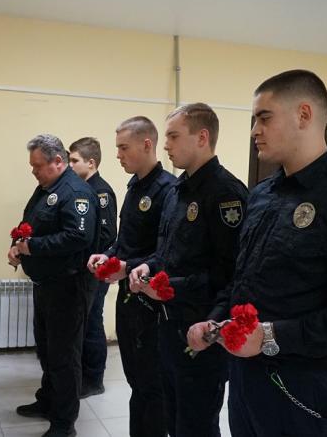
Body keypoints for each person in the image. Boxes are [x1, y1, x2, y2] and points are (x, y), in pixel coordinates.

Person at [187, 69, 327, 437]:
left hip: (309, 390)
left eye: (264, 117)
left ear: (304, 115)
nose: (254, 130)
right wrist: (216, 320)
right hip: (249, 384)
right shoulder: (262, 195)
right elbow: (245, 278)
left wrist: (270, 336)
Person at [130, 103, 248, 437]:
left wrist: (170, 288)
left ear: (202, 137)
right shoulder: (177, 190)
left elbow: (230, 275)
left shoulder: (226, 193)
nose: (165, 145)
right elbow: (167, 252)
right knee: (173, 419)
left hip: (202, 328)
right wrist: (147, 266)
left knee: (196, 426)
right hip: (169, 325)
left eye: (173, 136)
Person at [87, 116, 176, 437]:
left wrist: (128, 266)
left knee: (153, 386)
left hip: (151, 302)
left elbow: (166, 252)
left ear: (146, 144)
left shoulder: (167, 190)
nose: (118, 155)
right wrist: (109, 256)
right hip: (129, 297)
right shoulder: (135, 186)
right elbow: (126, 241)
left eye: (124, 148)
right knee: (137, 382)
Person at [8, 134, 99, 437]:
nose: (33, 171)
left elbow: (78, 237)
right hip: (46, 284)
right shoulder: (46, 188)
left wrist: (32, 247)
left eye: (38, 166)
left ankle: (64, 423)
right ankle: (47, 401)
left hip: (68, 288)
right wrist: (17, 247)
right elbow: (31, 226)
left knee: (64, 357)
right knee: (47, 351)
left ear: (58, 161)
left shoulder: (76, 192)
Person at [68, 137, 117, 398]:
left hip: (96, 270)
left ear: (91, 162)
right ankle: (82, 375)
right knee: (83, 323)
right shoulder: (81, 189)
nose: (70, 165)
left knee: (92, 322)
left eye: (74, 160)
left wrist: (93, 260)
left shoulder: (101, 192)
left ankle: (94, 379)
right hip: (82, 270)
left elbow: (107, 235)